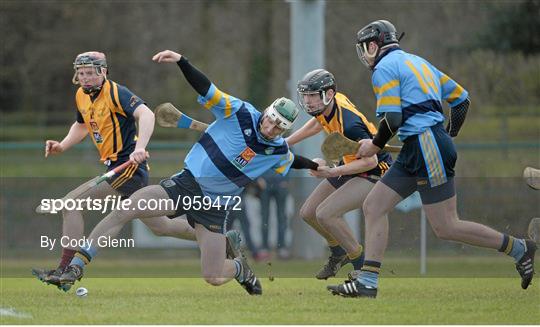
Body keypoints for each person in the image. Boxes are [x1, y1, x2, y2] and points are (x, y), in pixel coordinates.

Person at [57, 49, 323, 295]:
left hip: (215, 205)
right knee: (127, 209)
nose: (270, 129)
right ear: (266, 112)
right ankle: (78, 264)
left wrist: (315, 165)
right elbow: (208, 89)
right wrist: (182, 61)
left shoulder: (276, 151)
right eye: (270, 121)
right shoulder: (239, 111)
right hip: (185, 184)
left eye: (278, 128)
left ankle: (240, 268)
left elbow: (294, 160)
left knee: (214, 276)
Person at [327, 20, 536, 298]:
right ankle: (368, 281)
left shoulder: (383, 69)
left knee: (446, 226)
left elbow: (393, 118)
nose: (365, 54)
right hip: (422, 146)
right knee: (374, 206)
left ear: (374, 45)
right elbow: (461, 100)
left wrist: (376, 145)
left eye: (365, 47)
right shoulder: (420, 63)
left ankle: (519, 249)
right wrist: (448, 134)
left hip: (426, 146)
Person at [32, 51, 196, 291]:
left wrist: (139, 148)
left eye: (90, 73)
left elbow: (147, 114)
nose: (85, 78)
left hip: (128, 167)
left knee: (71, 204)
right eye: (81, 73)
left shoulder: (116, 92)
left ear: (103, 72)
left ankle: (66, 270)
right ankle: (217, 238)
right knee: (162, 227)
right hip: (114, 166)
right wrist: (62, 145)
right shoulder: (81, 95)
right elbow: (81, 125)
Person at [286, 69, 393, 279]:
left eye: (313, 95)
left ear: (328, 94)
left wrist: (333, 171)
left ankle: (361, 266)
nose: (308, 101)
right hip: (351, 165)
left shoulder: (351, 124)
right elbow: (317, 123)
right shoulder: (330, 105)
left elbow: (370, 160)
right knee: (308, 213)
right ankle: (338, 253)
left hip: (373, 171)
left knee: (326, 214)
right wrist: (284, 143)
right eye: (305, 95)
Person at [257, 171, 292, 260]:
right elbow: (258, 160)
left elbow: (289, 160)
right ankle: (264, 248)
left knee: (281, 218)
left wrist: (286, 180)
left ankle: (281, 248)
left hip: (280, 183)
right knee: (264, 218)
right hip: (264, 184)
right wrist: (259, 178)